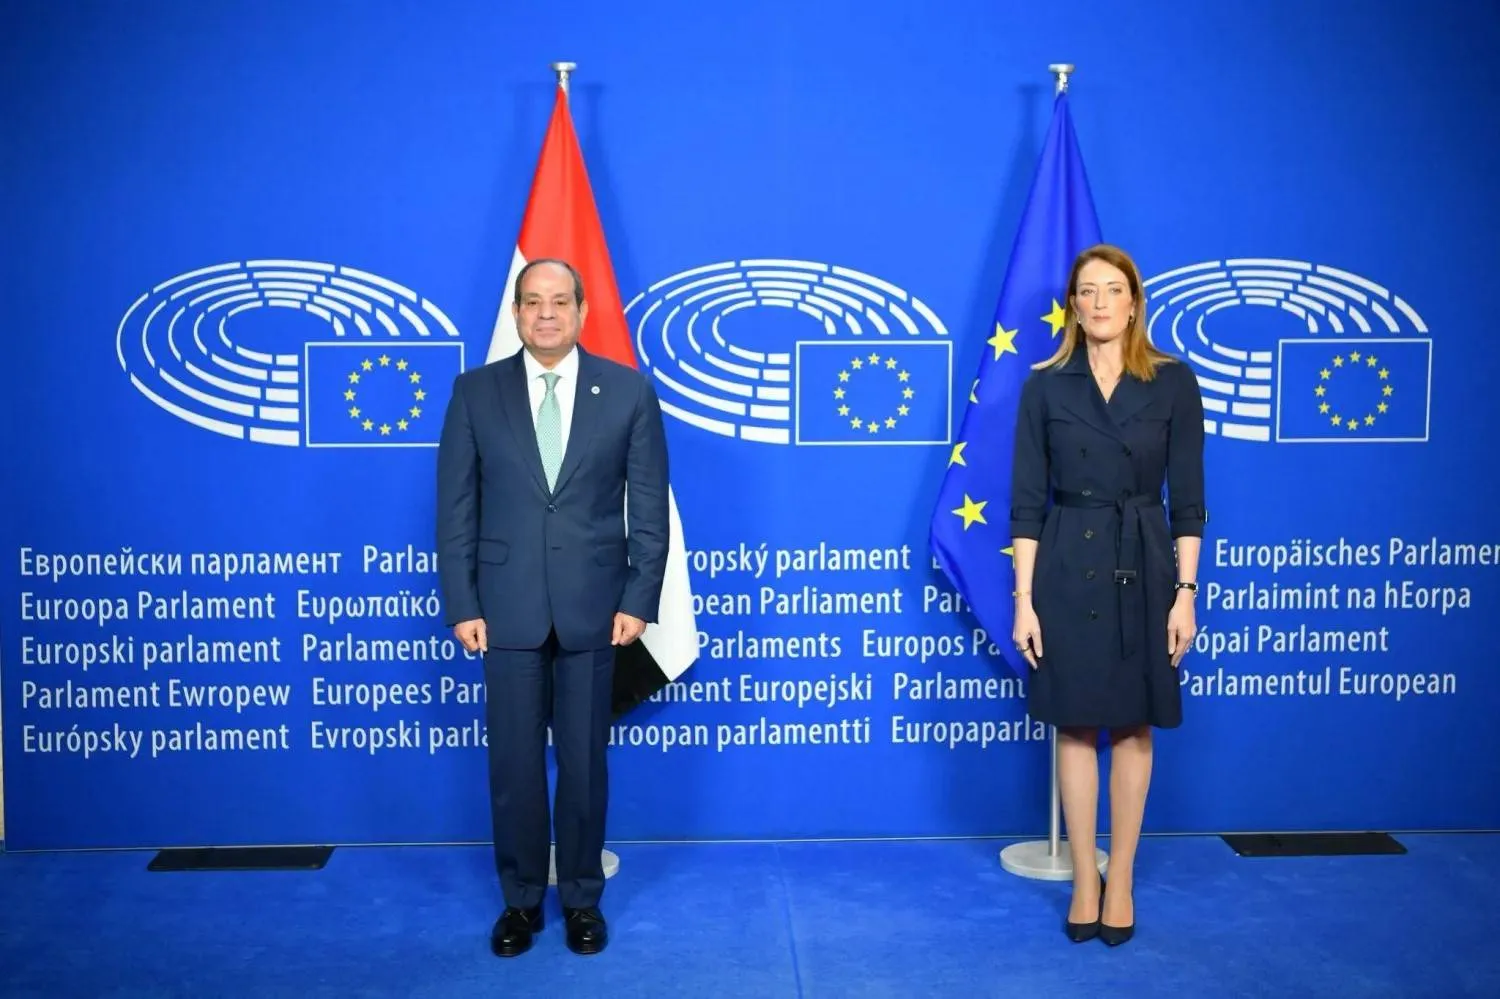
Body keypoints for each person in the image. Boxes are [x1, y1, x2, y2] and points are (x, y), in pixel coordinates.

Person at [435, 257, 671, 957]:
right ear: (515, 313)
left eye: (559, 301)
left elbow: (650, 510)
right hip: (502, 611)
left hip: (595, 611)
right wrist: (461, 601)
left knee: (584, 763)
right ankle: (521, 902)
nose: (546, 314)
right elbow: (455, 509)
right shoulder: (474, 393)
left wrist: (639, 597)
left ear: (582, 311)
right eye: (532, 302)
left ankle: (580, 900)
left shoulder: (627, 392)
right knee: (511, 765)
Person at [1007, 244, 1206, 947]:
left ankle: (1120, 875)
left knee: (1131, 724)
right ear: (1072, 305)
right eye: (1085, 291)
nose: (1098, 302)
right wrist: (1023, 597)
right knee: (1072, 723)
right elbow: (1026, 503)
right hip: (1064, 563)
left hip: (1145, 562)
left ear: (1133, 302)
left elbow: (1188, 501)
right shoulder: (1045, 387)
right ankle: (1084, 878)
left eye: (1111, 289)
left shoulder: (1174, 382)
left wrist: (1184, 594)